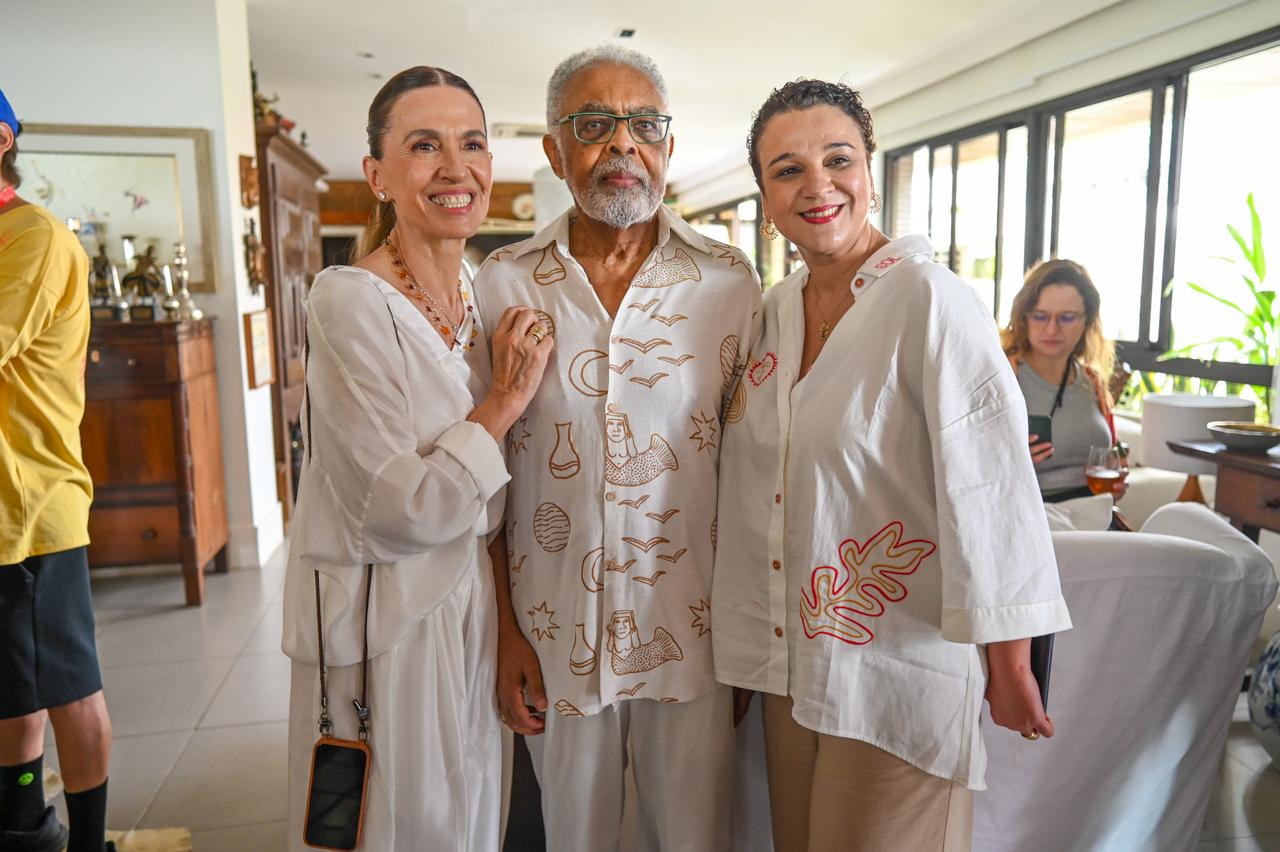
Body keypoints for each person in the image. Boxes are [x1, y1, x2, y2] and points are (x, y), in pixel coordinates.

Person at [711, 80, 1073, 852]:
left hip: (896, 664)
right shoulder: (773, 313)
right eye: (786, 170)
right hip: (792, 664)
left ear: (871, 170)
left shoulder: (928, 300)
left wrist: (1008, 664)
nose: (817, 186)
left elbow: (989, 484)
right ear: (765, 196)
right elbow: (751, 488)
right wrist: (746, 644)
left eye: (837, 159)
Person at [473, 46, 761, 851]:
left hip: (693, 634)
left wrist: (745, 640)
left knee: (696, 838)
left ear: (667, 146)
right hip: (554, 630)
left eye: (644, 125)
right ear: (556, 153)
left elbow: (752, 475)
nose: (622, 145)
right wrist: (504, 633)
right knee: (575, 838)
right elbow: (485, 476)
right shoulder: (500, 283)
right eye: (594, 125)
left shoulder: (730, 283)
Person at [281, 67, 552, 851]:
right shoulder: (348, 301)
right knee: (400, 826)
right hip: (387, 625)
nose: (455, 167)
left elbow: (485, 513)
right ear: (378, 174)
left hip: (467, 610)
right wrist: (502, 401)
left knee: (470, 819)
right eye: (423, 146)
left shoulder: (481, 296)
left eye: (472, 144)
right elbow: (401, 512)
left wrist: (506, 631)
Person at [0, 88, 115, 852]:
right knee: (12, 691)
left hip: (30, 506)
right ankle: (22, 823)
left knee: (68, 690)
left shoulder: (32, 237)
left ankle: (88, 842)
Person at [1001, 259, 1121, 501]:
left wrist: (1116, 486)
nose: (1052, 329)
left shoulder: (1091, 380)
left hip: (1095, 514)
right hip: (1035, 515)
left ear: (1087, 321)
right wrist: (1009, 458)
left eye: (1067, 317)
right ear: (1023, 318)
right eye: (1040, 316)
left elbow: (1112, 457)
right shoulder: (1004, 376)